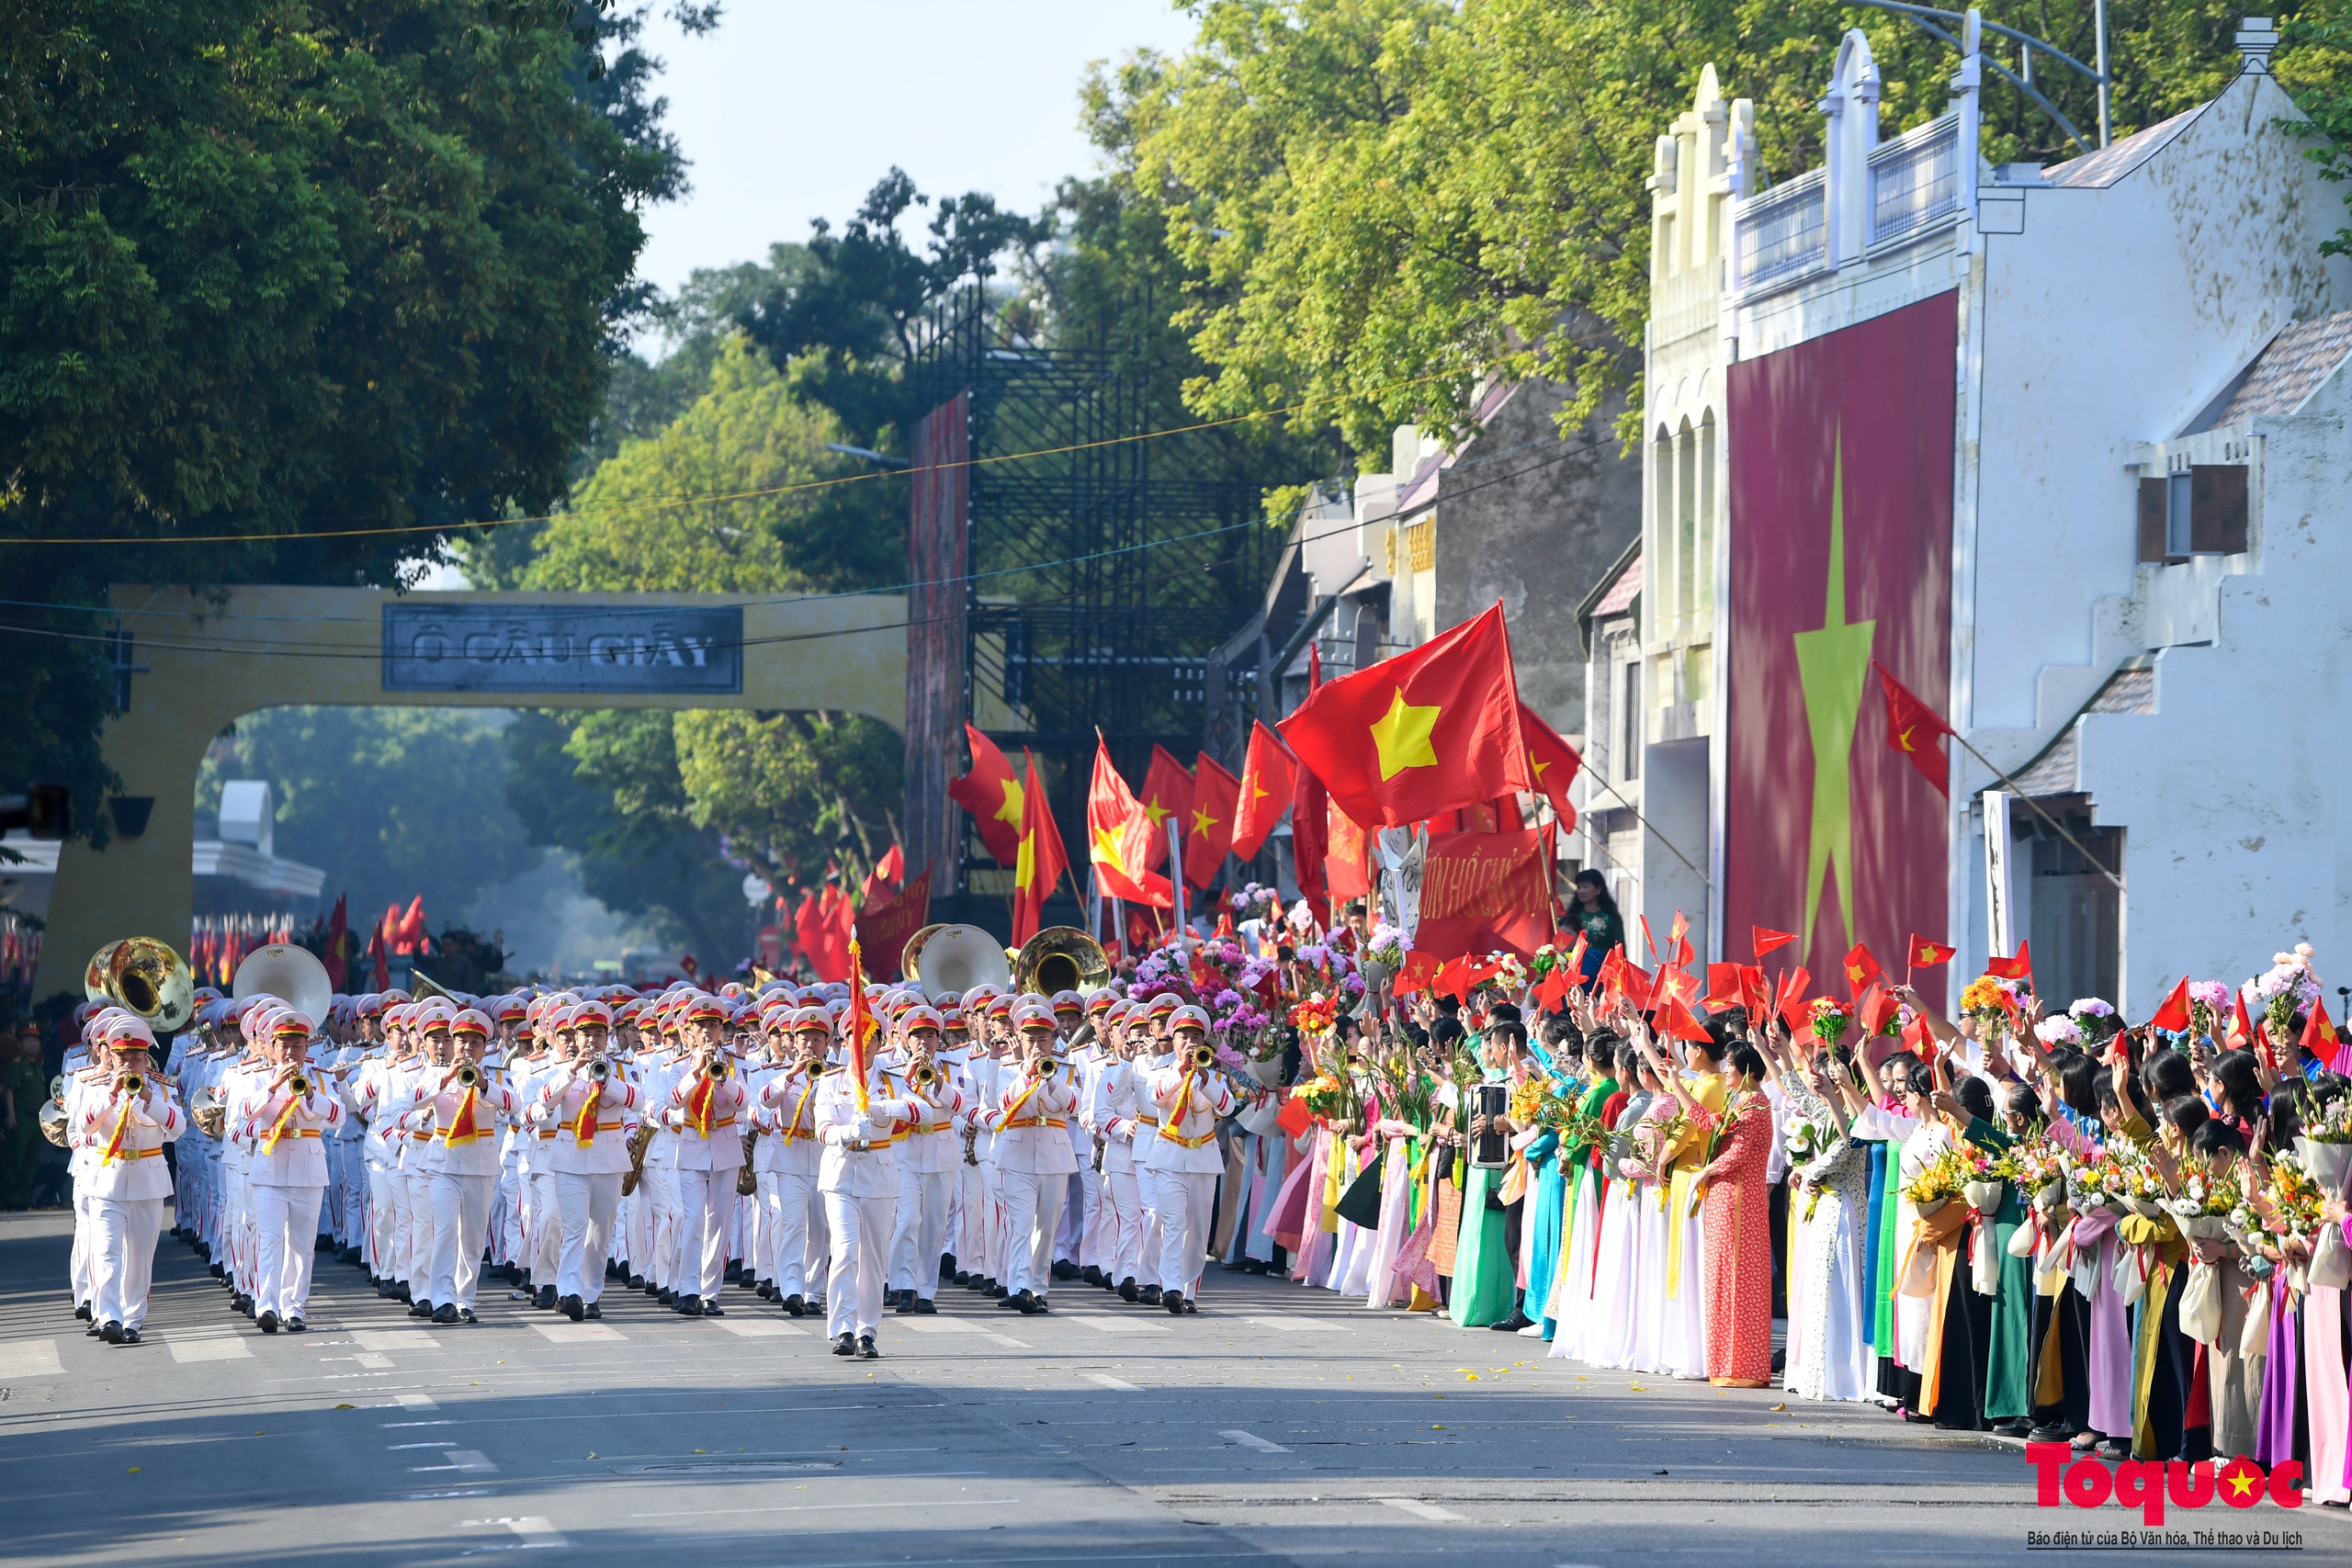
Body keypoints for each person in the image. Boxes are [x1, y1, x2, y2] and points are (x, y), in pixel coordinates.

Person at [241, 1007, 345, 1334]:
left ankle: (294, 1307)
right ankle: (267, 1306)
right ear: (270, 1047)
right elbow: (245, 1114)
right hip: (270, 1171)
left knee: (302, 1243)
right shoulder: (257, 1078)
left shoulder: (321, 1077)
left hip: (308, 1170)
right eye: (283, 1045)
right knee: (270, 1240)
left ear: (307, 1047)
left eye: (297, 1045)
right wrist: (273, 1087)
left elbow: (338, 1117)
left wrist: (312, 1094)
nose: (290, 1052)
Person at [78, 1019, 183, 1344]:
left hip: (148, 1180)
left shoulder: (162, 1088)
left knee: (139, 1256)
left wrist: (151, 1099)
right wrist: (112, 1094)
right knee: (107, 1251)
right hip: (107, 1180)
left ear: (146, 1057)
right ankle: (109, 1316)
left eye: (136, 1057)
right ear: (110, 1055)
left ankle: (132, 1319)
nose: (128, 1064)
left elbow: (177, 1128)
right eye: (122, 1057)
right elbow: (84, 1127)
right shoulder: (95, 1086)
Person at [814, 1019, 913, 1359]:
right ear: (844, 1041)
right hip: (840, 1174)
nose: (864, 1044)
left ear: (881, 1042)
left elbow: (922, 1111)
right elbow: (823, 1128)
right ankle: (843, 1327)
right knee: (844, 1251)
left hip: (879, 1175)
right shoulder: (830, 1082)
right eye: (857, 1037)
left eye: (872, 1038)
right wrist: (847, 1133)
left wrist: (881, 1107)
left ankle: (865, 1331)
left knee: (873, 1259)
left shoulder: (892, 1081)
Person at [1137, 1004, 1237, 1314]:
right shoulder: (1160, 1073)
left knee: (1198, 1227)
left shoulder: (1213, 1076)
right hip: (1169, 1156)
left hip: (1203, 1158)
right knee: (1173, 1222)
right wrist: (1181, 1069)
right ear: (1173, 1039)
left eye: (1196, 1037)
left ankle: (1189, 1291)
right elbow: (1155, 1098)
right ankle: (1171, 1288)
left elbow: (1228, 1106)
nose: (1190, 1043)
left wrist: (1204, 1076)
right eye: (1184, 1037)